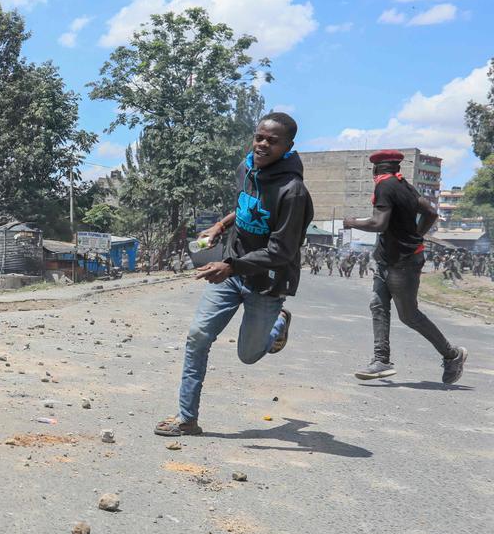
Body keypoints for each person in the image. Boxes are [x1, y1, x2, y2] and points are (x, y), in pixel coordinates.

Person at [155, 112, 314, 437]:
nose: (263, 145)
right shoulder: (247, 168)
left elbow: (281, 251)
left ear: (288, 146)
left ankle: (279, 322)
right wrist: (221, 225)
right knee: (198, 336)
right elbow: (245, 205)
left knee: (248, 355)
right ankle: (187, 419)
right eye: (260, 137)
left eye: (273, 141)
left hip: (267, 282)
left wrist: (231, 266)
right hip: (232, 271)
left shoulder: (293, 191)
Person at [345, 151, 467, 383]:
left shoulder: (384, 186)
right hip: (387, 259)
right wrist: (416, 235)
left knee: (409, 315)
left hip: (403, 263)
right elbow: (430, 211)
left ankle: (453, 355)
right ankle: (381, 360)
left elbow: (379, 223)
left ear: (375, 170)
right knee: (377, 305)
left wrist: (352, 222)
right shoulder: (405, 186)